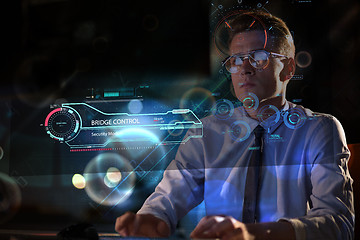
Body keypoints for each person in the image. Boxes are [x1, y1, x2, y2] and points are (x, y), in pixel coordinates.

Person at [115, 10, 354, 240]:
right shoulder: (205, 132)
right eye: (236, 60)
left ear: (289, 69)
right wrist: (151, 219)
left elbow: (338, 224)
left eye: (259, 57)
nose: (245, 69)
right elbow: (167, 197)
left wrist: (253, 235)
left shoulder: (319, 130)